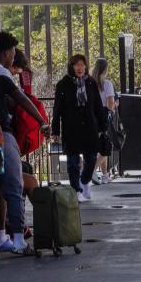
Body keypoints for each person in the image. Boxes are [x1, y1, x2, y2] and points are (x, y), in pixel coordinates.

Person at [0, 32, 48, 255]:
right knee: (13, 185)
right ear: (6, 52)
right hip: (2, 134)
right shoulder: (2, 76)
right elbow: (20, 99)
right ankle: (18, 238)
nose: (13, 57)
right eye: (12, 52)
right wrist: (41, 121)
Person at [52, 53, 106, 202]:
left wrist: (103, 126)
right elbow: (57, 109)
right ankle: (76, 189)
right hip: (71, 127)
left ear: (86, 66)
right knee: (73, 162)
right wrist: (55, 130)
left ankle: (84, 181)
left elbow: (98, 106)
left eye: (82, 65)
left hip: (90, 126)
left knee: (90, 159)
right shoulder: (63, 84)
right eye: (77, 65)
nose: (80, 68)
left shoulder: (91, 83)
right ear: (71, 67)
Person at [91, 57, 117, 184]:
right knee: (106, 147)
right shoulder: (107, 84)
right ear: (105, 69)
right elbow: (111, 102)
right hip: (103, 116)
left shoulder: (89, 83)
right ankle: (91, 169)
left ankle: (105, 175)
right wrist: (111, 112)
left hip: (90, 116)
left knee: (102, 145)